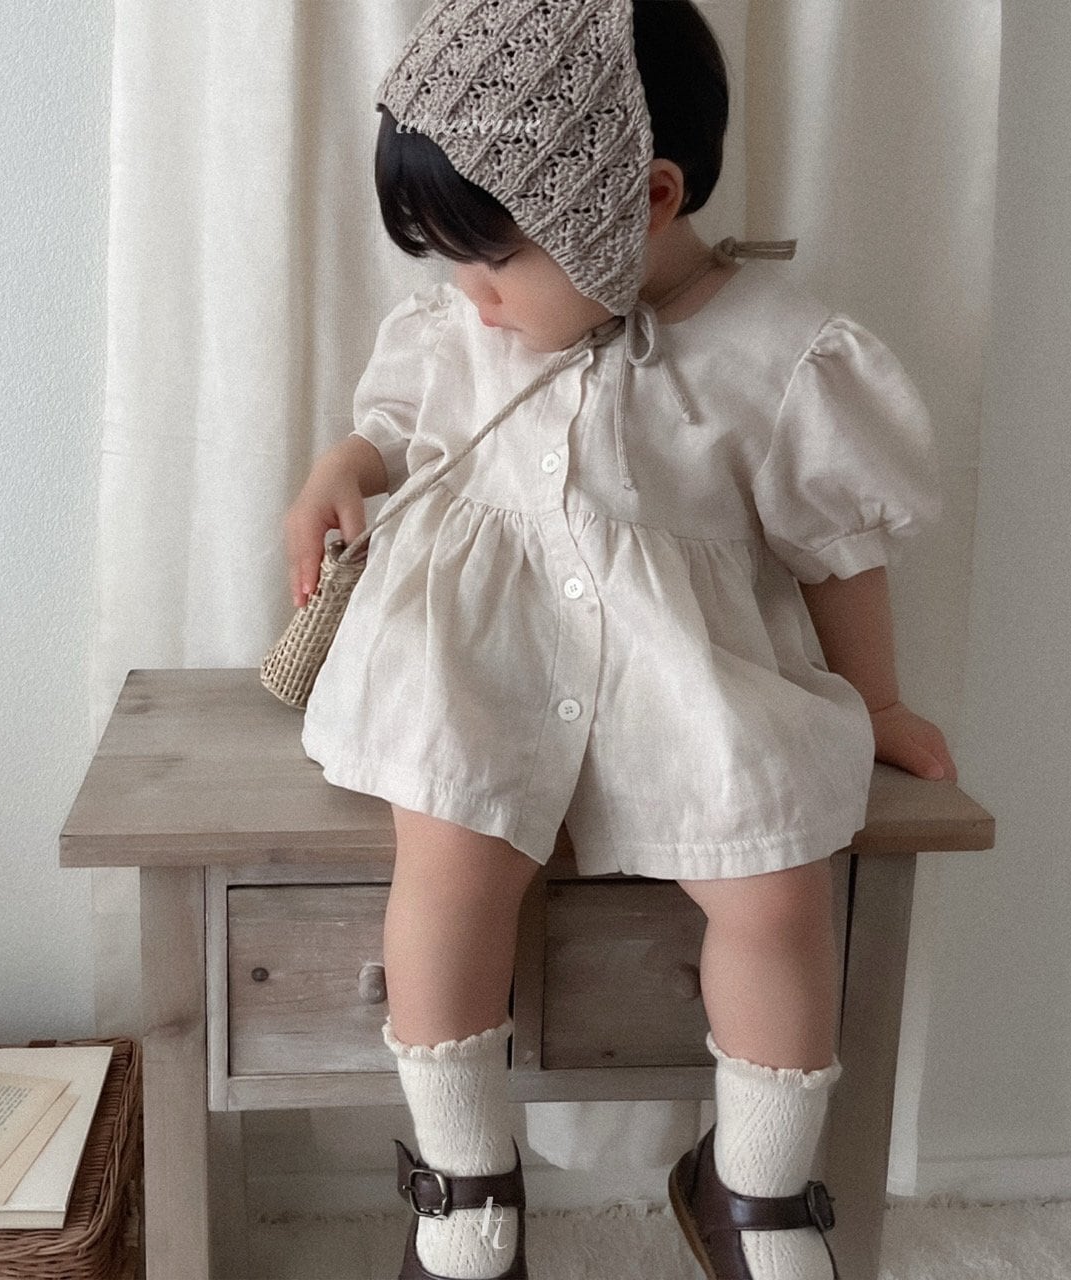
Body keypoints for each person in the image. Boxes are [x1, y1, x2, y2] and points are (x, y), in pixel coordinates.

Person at [282, 2, 957, 1277]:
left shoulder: (774, 351)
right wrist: (338, 468)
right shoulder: (462, 329)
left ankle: (753, 1183)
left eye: (493, 260)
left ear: (644, 200)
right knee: (447, 858)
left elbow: (836, 545)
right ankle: (464, 1180)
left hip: (680, 682)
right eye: (451, 263)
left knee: (776, 883)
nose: (471, 297)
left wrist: (872, 701)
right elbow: (391, 421)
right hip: (473, 666)